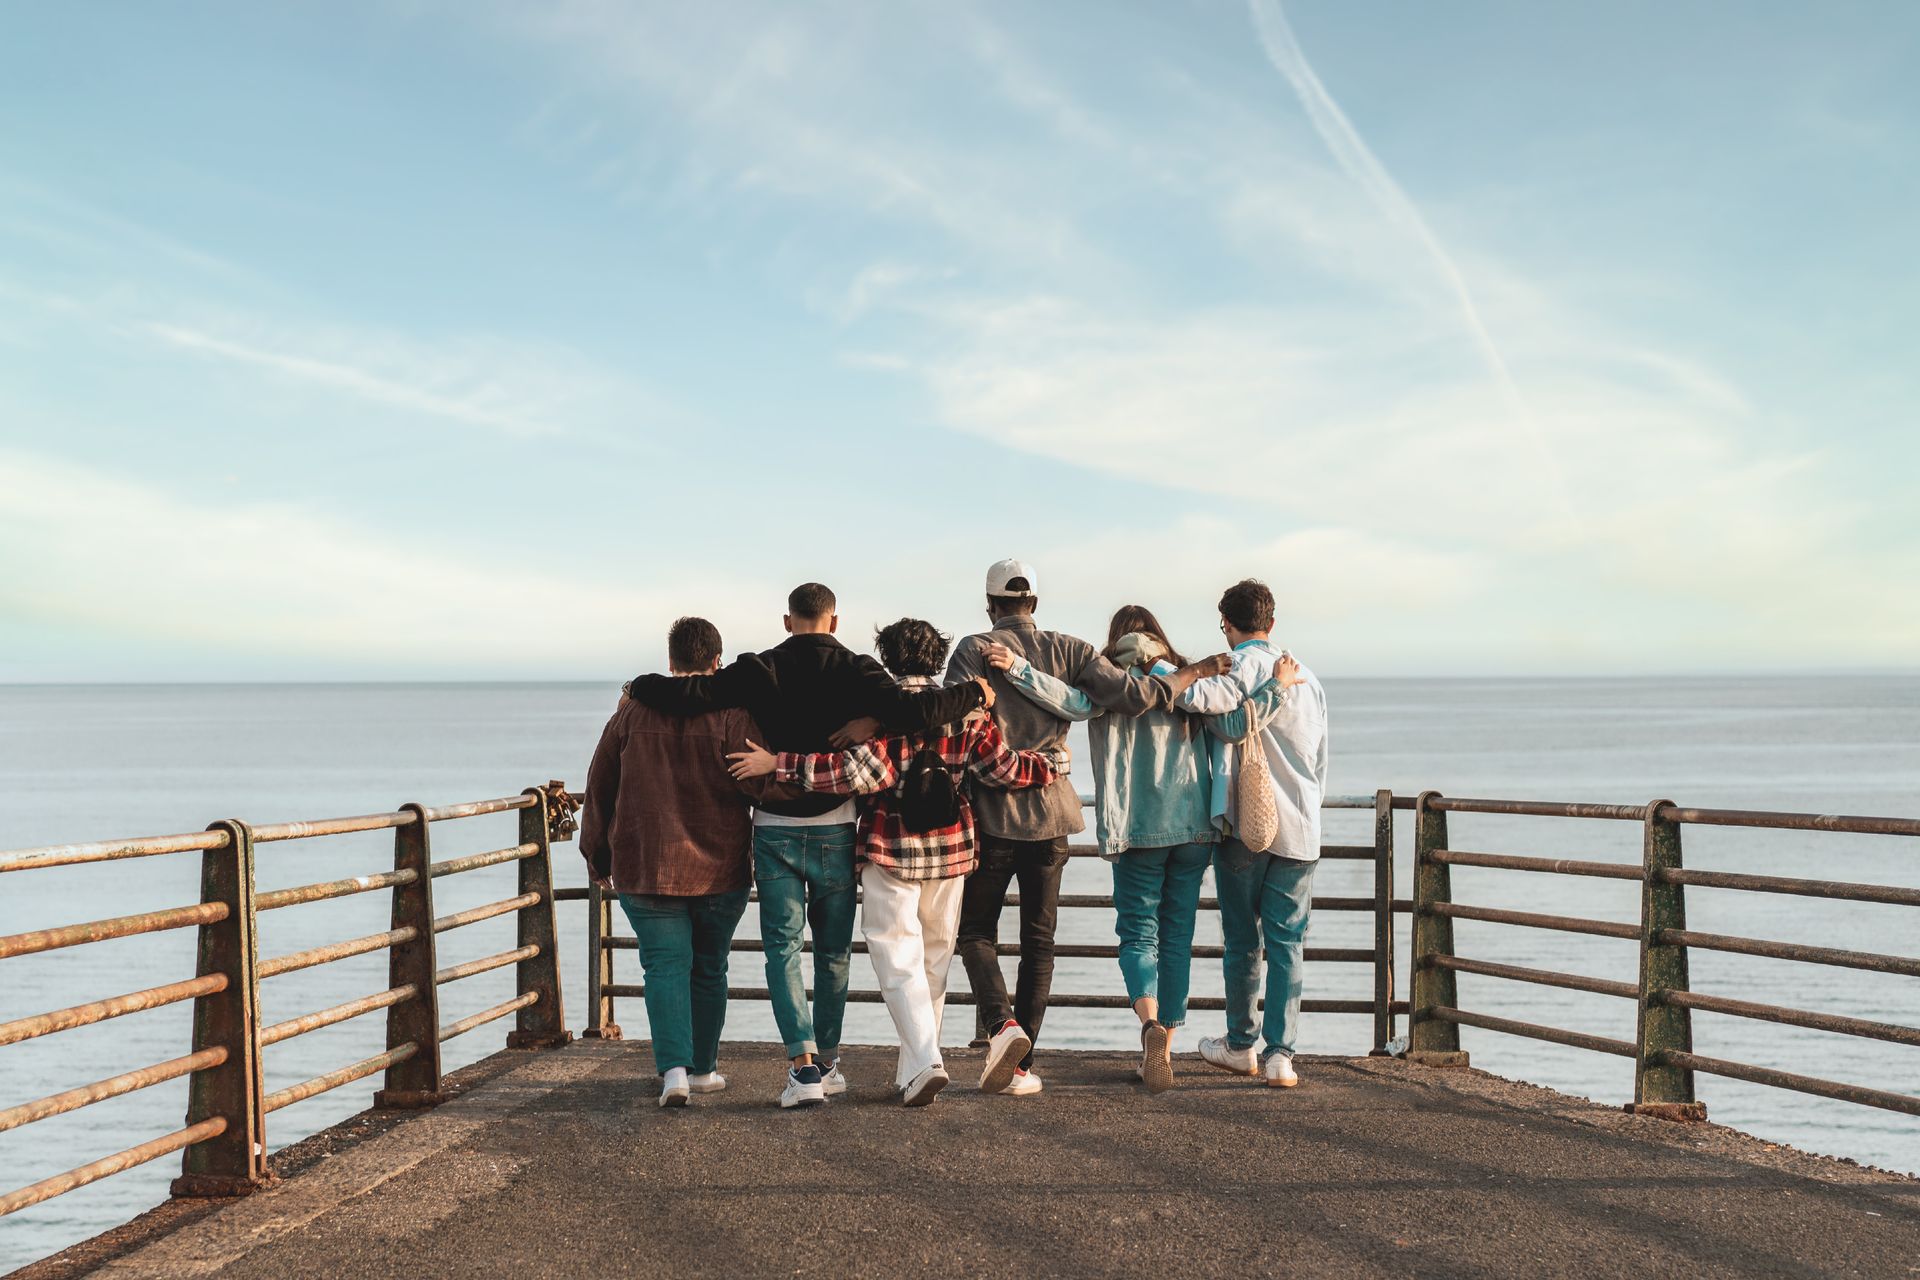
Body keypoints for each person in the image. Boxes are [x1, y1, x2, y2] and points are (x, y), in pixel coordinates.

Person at [626, 584, 990, 1109]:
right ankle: (831, 1062)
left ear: (787, 620)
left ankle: (802, 1067)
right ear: (834, 622)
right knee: (834, 953)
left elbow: (694, 694)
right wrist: (975, 693)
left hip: (773, 828)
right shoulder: (859, 670)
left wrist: (640, 685)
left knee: (782, 951)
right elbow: (919, 712)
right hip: (837, 827)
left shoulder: (760, 667)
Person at [727, 618, 1062, 1106]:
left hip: (891, 850)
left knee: (896, 960)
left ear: (887, 658)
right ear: (938, 656)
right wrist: (1055, 764)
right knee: (933, 963)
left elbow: (854, 773)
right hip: (951, 853)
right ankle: (914, 1070)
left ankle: (926, 1061)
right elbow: (1002, 768)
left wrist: (779, 764)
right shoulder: (966, 708)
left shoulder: (881, 712)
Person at [938, 559, 1231, 1097]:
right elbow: (1137, 696)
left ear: (990, 606)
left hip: (992, 818)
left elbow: (949, 723)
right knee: (1040, 944)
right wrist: (1196, 671)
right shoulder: (1073, 650)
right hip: (1052, 816)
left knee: (976, 933)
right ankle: (1022, 1065)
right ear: (1034, 605)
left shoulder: (974, 649)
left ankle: (1002, 1028)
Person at [579, 617, 767, 1108]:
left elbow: (600, 785)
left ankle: (675, 1074)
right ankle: (703, 1069)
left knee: (663, 967)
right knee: (709, 968)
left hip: (646, 863)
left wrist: (595, 853)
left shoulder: (631, 713)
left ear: (670, 661)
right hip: (720, 865)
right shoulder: (733, 715)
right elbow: (760, 785)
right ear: (716, 662)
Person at [1177, 579, 1328, 1088]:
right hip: (1301, 825)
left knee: (1243, 941)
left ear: (1226, 624)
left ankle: (1241, 1044)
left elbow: (1199, 707)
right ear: (1272, 621)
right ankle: (1281, 1055)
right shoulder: (1307, 677)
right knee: (1288, 942)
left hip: (1244, 824)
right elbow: (1319, 760)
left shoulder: (1236, 667)